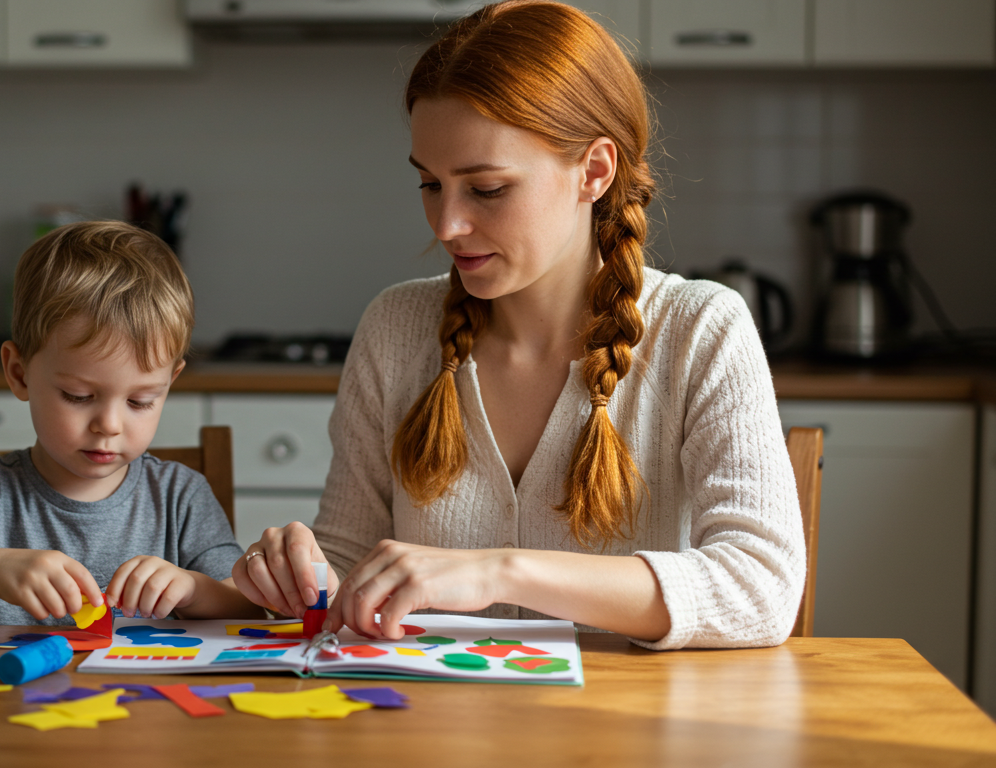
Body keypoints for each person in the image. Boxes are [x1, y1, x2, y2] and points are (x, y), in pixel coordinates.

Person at [232, 0, 805, 649]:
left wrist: (501, 572)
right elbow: (347, 564)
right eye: (429, 184)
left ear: (594, 171)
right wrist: (299, 574)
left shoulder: (700, 329)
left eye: (487, 189)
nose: (447, 225)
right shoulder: (396, 328)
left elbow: (762, 590)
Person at [0, 221, 262, 625]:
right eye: (79, 397)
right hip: (6, 689)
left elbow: (248, 608)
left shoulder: (181, 496)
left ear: (168, 386)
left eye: (140, 401)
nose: (109, 424)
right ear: (19, 373)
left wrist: (192, 589)